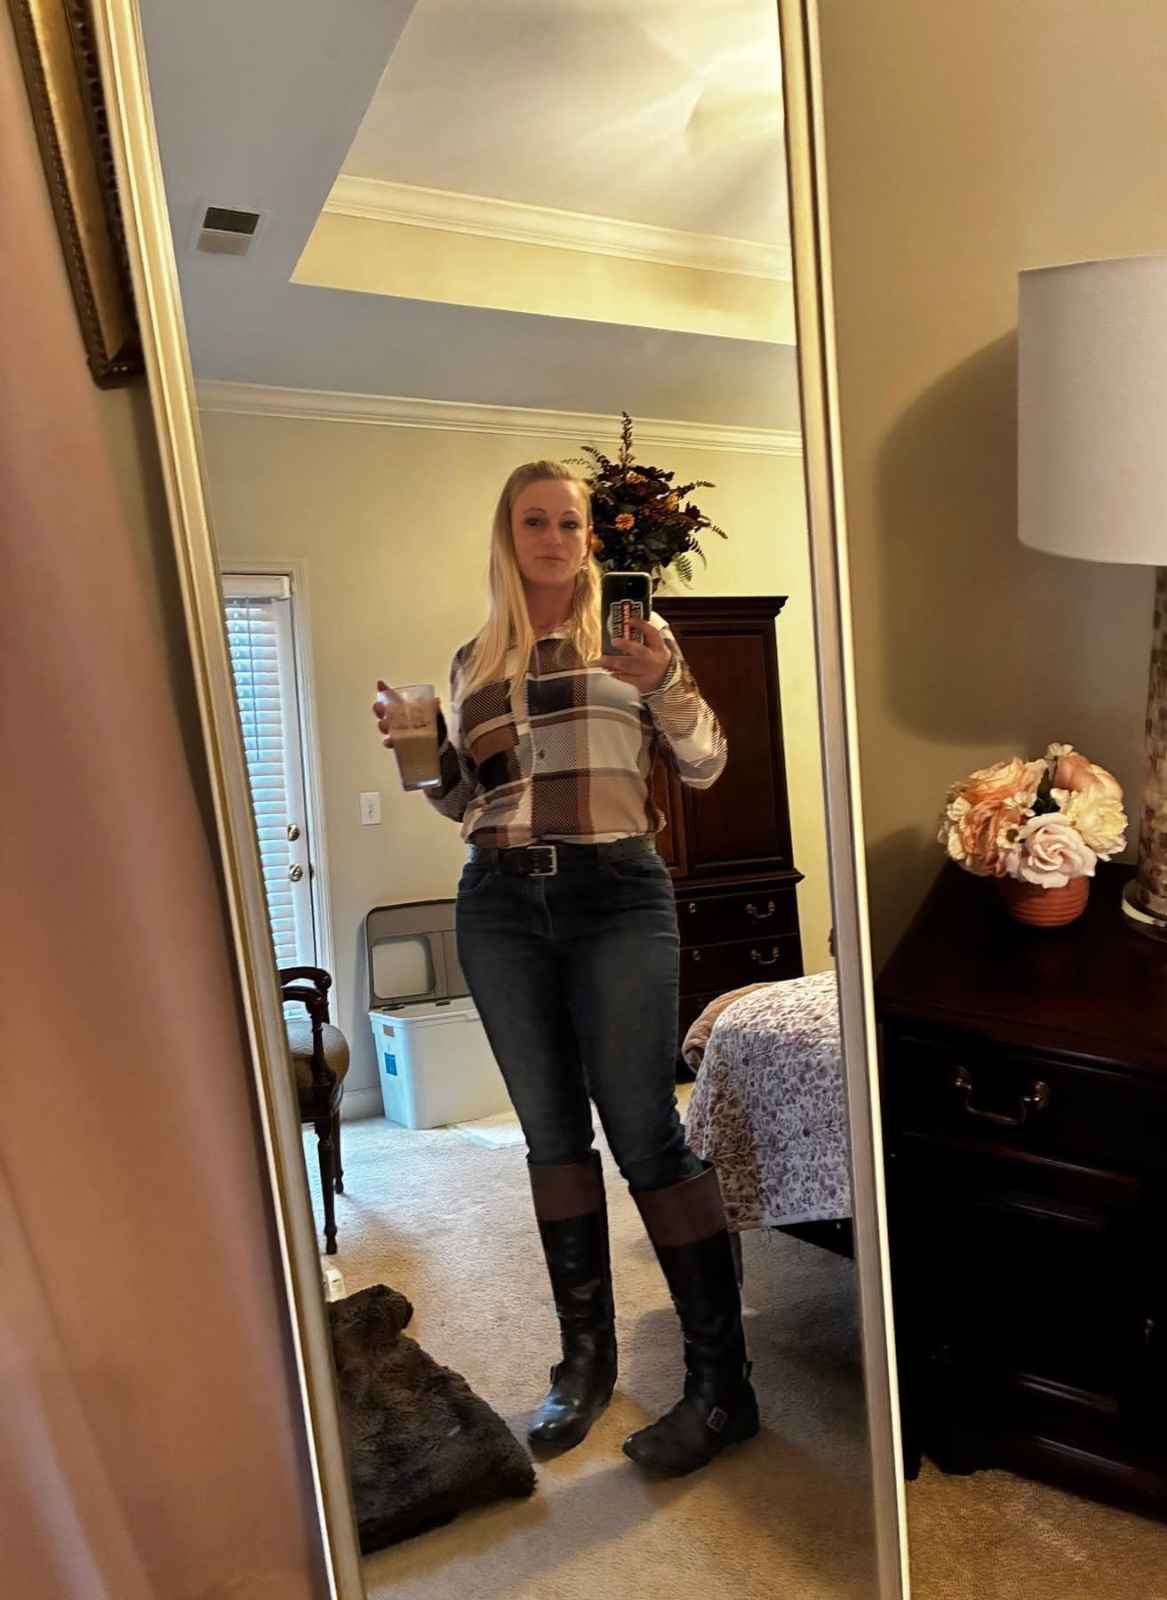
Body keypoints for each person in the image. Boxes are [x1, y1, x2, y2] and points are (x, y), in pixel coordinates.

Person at [373, 459, 757, 1476]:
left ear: (591, 538)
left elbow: (708, 761)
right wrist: (420, 753)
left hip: (616, 895)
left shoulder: (638, 639)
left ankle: (724, 1386)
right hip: (497, 904)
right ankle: (585, 1361)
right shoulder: (473, 661)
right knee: (549, 1136)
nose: (551, 537)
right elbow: (468, 801)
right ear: (508, 537)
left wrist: (663, 683)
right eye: (532, 521)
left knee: (645, 1131)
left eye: (568, 523)